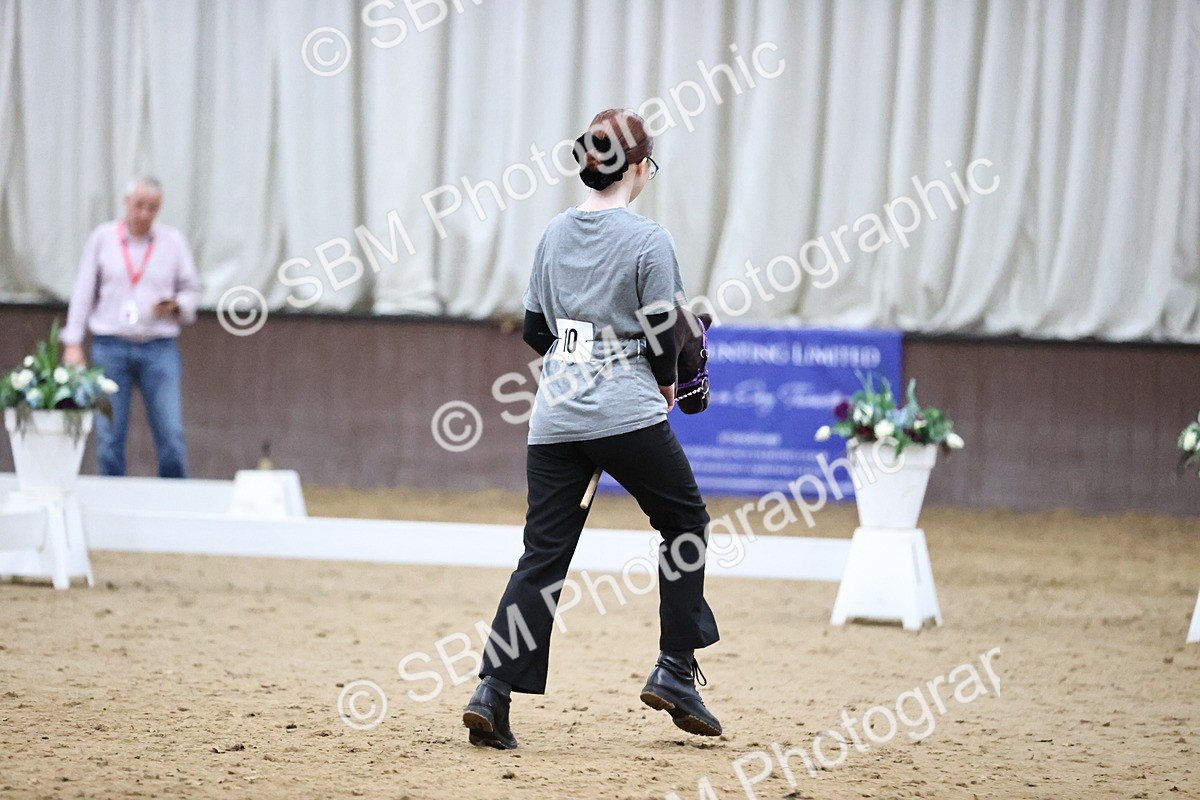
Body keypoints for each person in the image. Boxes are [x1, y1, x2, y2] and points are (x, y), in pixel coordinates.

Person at [462, 109, 721, 750]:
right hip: (624, 410)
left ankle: (491, 690)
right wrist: (664, 381)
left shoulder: (553, 233)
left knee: (543, 555)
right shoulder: (648, 240)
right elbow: (665, 333)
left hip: (554, 417)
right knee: (685, 523)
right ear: (638, 168)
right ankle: (674, 669)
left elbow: (535, 330)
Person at [61, 176, 201, 478]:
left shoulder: (173, 242)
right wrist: (73, 342)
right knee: (109, 435)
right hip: (110, 347)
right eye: (139, 205)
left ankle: (175, 502)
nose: (144, 214)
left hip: (158, 347)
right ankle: (112, 501)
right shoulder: (102, 238)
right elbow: (84, 290)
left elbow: (192, 291)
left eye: (152, 208)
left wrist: (176, 305)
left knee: (171, 434)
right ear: (126, 203)